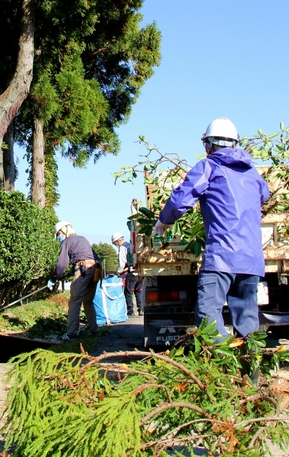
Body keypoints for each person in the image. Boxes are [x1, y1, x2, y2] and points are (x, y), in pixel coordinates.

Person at [153, 117, 270, 342]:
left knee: (208, 317)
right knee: (247, 323)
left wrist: (163, 221)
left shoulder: (209, 166)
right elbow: (264, 195)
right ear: (235, 144)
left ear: (208, 145)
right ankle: (250, 373)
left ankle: (220, 368)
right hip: (252, 259)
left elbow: (180, 201)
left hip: (222, 257)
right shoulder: (252, 172)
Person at [55, 220, 100, 340]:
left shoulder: (66, 241)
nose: (58, 237)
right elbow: (94, 256)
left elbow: (61, 264)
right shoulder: (82, 239)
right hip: (95, 269)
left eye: (58, 234)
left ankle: (72, 334)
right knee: (88, 301)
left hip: (83, 269)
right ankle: (94, 330)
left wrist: (55, 277)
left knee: (74, 301)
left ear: (62, 231)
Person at [113, 231, 142, 316]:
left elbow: (122, 262)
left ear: (117, 241)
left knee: (128, 292)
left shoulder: (123, 247)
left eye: (115, 243)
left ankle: (131, 311)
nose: (116, 245)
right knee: (138, 291)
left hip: (131, 272)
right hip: (139, 272)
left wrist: (119, 271)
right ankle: (141, 310)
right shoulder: (130, 245)